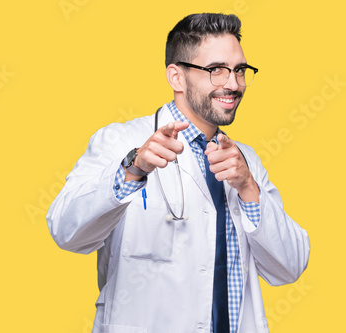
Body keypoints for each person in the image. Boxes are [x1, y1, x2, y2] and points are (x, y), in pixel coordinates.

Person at [47, 13, 310, 333]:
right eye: (216, 70)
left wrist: (249, 189)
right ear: (176, 77)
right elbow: (67, 231)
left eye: (240, 70)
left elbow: (290, 266)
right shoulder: (122, 141)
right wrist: (132, 170)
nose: (233, 83)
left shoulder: (246, 162)